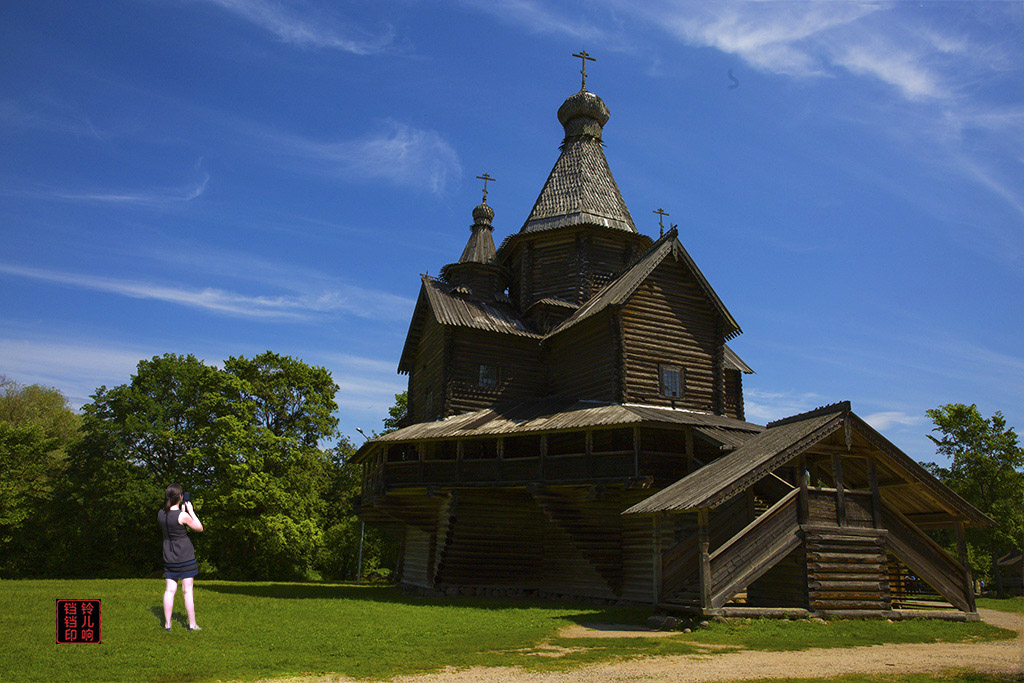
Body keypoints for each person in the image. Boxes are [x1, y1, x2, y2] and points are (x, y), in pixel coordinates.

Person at [158, 483, 204, 632]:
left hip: (169, 555)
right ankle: (192, 624)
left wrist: (182, 511)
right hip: (184, 555)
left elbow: (172, 521)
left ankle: (167, 624)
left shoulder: (160, 514)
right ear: (180, 497)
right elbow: (199, 527)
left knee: (170, 590)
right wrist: (190, 511)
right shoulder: (182, 515)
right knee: (187, 590)